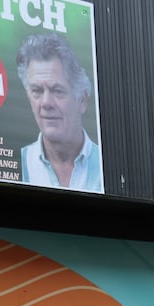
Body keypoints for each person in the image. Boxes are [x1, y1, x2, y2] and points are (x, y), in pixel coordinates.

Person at [16, 33, 103, 192]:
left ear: (82, 100)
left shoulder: (107, 166)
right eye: (37, 91)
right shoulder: (16, 163)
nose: (46, 103)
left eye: (57, 91)